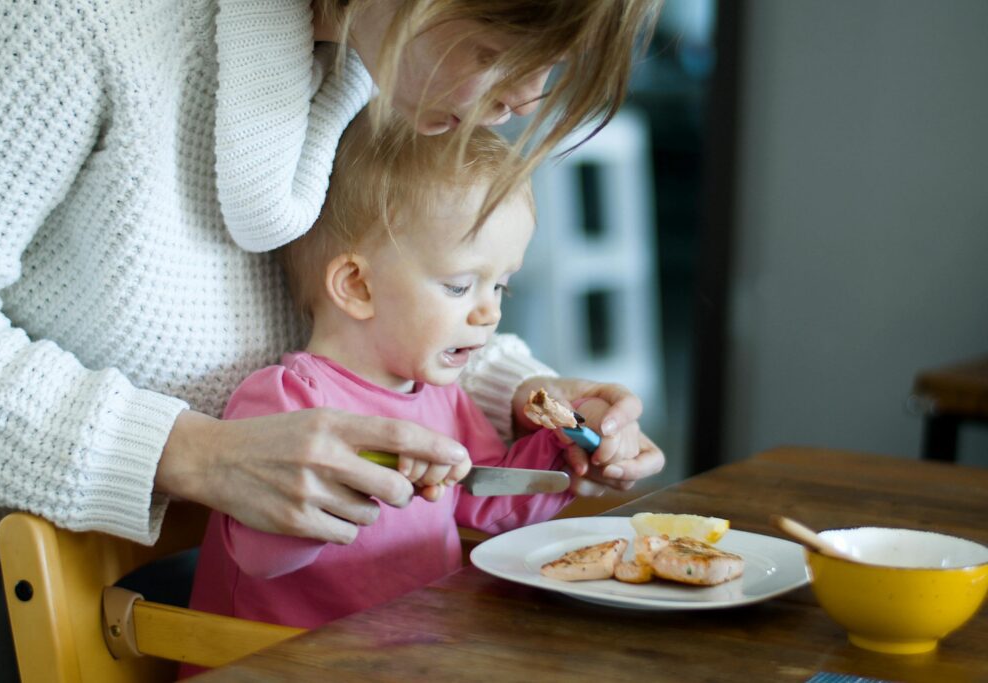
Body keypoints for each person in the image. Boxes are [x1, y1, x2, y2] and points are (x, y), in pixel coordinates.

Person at [0, 1, 663, 678]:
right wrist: (190, 454)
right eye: (498, 48)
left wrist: (526, 398)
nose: (526, 99)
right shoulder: (72, 18)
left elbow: (397, 281)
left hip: (227, 580)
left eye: (550, 64)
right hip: (14, 578)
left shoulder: (365, 54)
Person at [182, 110, 656, 677]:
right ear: (357, 286)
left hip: (415, 657)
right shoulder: (285, 402)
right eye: (461, 286)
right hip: (280, 668)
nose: (490, 312)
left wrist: (561, 454)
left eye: (501, 285)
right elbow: (261, 558)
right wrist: (350, 485)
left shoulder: (441, 398)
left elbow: (488, 505)